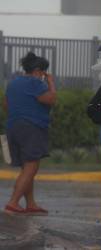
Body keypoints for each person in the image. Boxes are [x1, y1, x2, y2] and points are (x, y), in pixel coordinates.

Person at [3, 52, 56, 216]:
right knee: (32, 166)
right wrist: (51, 83)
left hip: (13, 127)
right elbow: (51, 99)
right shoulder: (35, 82)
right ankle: (13, 202)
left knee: (27, 166)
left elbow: (6, 105)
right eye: (43, 72)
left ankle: (30, 203)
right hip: (31, 128)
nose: (43, 76)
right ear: (38, 70)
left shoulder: (13, 83)